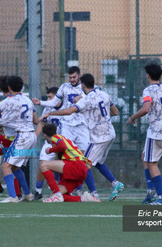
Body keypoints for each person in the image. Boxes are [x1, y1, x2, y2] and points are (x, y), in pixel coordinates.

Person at [42, 73, 124, 201]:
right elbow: (115, 112)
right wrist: (100, 117)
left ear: (83, 85)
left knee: (83, 165)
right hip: (110, 133)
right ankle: (114, 183)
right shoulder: (104, 94)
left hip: (99, 137)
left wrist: (50, 113)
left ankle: (92, 194)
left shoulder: (86, 99)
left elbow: (69, 111)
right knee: (98, 162)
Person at [128, 64, 162, 205]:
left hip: (156, 131)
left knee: (151, 163)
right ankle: (151, 192)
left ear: (148, 76)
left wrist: (133, 117)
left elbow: (146, 109)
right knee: (145, 157)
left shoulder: (148, 90)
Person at [0, 75, 38, 203]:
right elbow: (35, 120)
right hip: (32, 136)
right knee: (15, 167)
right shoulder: (27, 100)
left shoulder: (8, 100)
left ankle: (13, 197)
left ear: (9, 87)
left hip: (22, 137)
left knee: (6, 166)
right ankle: (28, 195)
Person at [32, 66, 90, 153]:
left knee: (85, 153)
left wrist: (82, 96)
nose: (72, 80)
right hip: (67, 124)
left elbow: (95, 94)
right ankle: (60, 166)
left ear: (79, 75)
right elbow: (54, 102)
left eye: (74, 77)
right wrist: (40, 102)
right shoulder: (64, 86)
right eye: (70, 77)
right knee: (63, 150)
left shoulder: (85, 86)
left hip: (81, 123)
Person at [39, 123, 100, 203]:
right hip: (81, 169)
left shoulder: (55, 137)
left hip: (76, 165)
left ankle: (57, 195)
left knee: (43, 165)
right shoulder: (62, 138)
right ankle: (84, 198)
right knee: (59, 195)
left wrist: (49, 150)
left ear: (45, 135)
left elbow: (63, 146)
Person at [34, 87, 63, 200]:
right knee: (42, 164)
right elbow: (41, 124)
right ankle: (38, 191)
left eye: (50, 97)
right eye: (47, 97)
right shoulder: (47, 108)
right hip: (49, 143)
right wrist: (35, 137)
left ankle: (64, 190)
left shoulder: (67, 108)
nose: (48, 99)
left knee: (62, 167)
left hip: (62, 142)